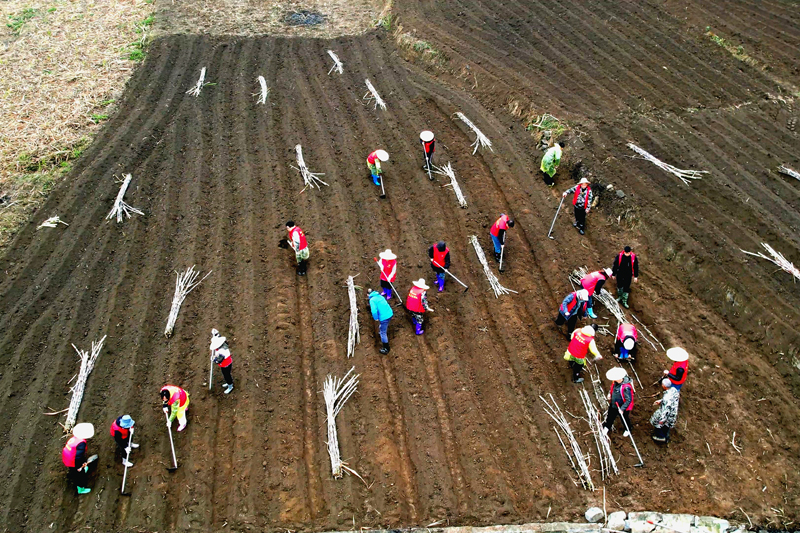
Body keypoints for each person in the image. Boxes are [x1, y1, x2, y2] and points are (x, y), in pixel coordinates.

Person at [62, 422, 95, 495]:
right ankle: (81, 488)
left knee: (75, 470)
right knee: (79, 475)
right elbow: (78, 457)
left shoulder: (74, 438)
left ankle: (75, 471)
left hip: (67, 457)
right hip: (73, 461)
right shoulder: (81, 444)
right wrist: (80, 465)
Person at [603, 367, 635, 437]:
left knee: (624, 418)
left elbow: (628, 400)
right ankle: (607, 426)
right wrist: (610, 394)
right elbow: (612, 389)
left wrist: (622, 409)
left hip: (622, 406)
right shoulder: (615, 383)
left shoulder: (626, 387)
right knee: (610, 416)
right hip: (614, 404)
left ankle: (628, 429)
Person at [651, 379, 680, 443]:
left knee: (656, 421)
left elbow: (666, 410)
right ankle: (666, 436)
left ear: (664, 386)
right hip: (673, 413)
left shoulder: (667, 398)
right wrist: (661, 401)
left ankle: (660, 437)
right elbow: (671, 399)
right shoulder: (674, 390)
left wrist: (662, 420)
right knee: (667, 425)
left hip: (668, 414)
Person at [368, 288, 394, 354]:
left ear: (368, 294)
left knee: (383, 332)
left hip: (384, 317)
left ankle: (386, 348)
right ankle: (382, 329)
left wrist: (376, 318)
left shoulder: (372, 300)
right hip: (390, 313)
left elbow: (374, 311)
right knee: (383, 327)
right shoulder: (380, 296)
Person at [210, 328, 234, 394]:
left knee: (227, 375)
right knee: (226, 374)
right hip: (226, 364)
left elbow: (219, 360)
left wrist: (213, 359)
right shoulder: (222, 345)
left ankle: (230, 386)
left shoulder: (222, 351)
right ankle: (228, 383)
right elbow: (218, 336)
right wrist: (215, 333)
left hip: (226, 365)